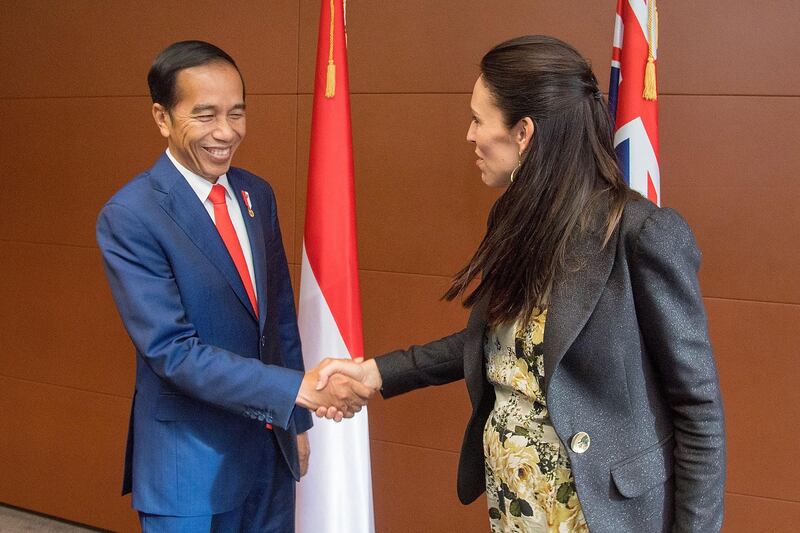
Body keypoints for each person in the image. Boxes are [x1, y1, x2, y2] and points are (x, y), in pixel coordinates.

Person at [316, 35, 726, 532]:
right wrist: (377, 373)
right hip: (517, 507)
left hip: (600, 517)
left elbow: (698, 409)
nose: (469, 135)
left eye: (477, 119)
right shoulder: (516, 217)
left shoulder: (643, 234)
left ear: (524, 131)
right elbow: (499, 341)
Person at [96, 40, 372, 532]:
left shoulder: (255, 194)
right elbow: (172, 352)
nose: (225, 132)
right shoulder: (131, 215)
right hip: (189, 470)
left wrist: (296, 423)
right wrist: (298, 391)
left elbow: (280, 321)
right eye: (204, 115)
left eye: (236, 113)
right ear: (162, 117)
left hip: (269, 456)